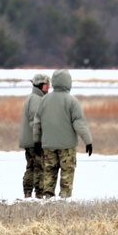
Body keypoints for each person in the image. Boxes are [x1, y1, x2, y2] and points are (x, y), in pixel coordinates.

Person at [32, 69, 93, 199]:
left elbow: (37, 123)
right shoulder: (71, 101)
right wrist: (88, 141)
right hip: (67, 146)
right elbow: (79, 123)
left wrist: (37, 141)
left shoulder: (44, 100)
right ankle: (64, 200)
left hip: (48, 145)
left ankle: (47, 199)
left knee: (48, 174)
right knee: (67, 174)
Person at [19, 73, 50, 198]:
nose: (48, 87)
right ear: (39, 85)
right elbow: (35, 121)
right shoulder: (36, 100)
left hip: (32, 140)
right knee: (38, 168)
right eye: (46, 85)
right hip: (35, 141)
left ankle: (29, 194)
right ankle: (37, 194)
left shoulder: (35, 98)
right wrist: (39, 141)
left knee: (32, 167)